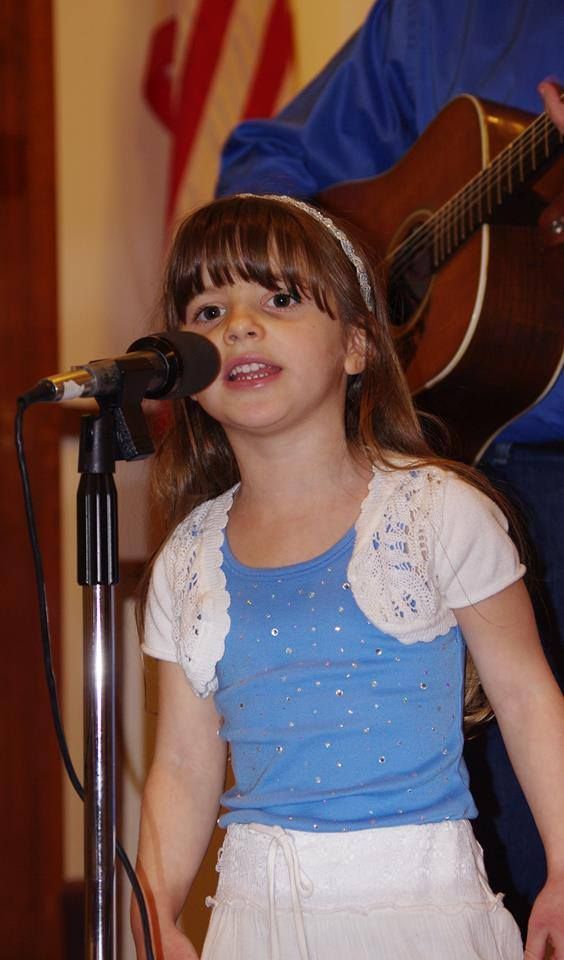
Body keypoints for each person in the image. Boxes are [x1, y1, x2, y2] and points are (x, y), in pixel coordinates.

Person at [132, 193, 564, 960]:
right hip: (254, 922)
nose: (239, 326)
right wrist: (156, 905)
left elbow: (529, 699)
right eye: (208, 311)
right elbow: (182, 762)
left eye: (280, 299)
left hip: (422, 911)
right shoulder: (187, 558)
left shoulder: (436, 512)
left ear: (358, 345)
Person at [215, 0, 564, 934]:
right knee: (506, 840)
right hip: (472, 471)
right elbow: (266, 162)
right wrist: (354, 272)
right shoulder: (438, 13)